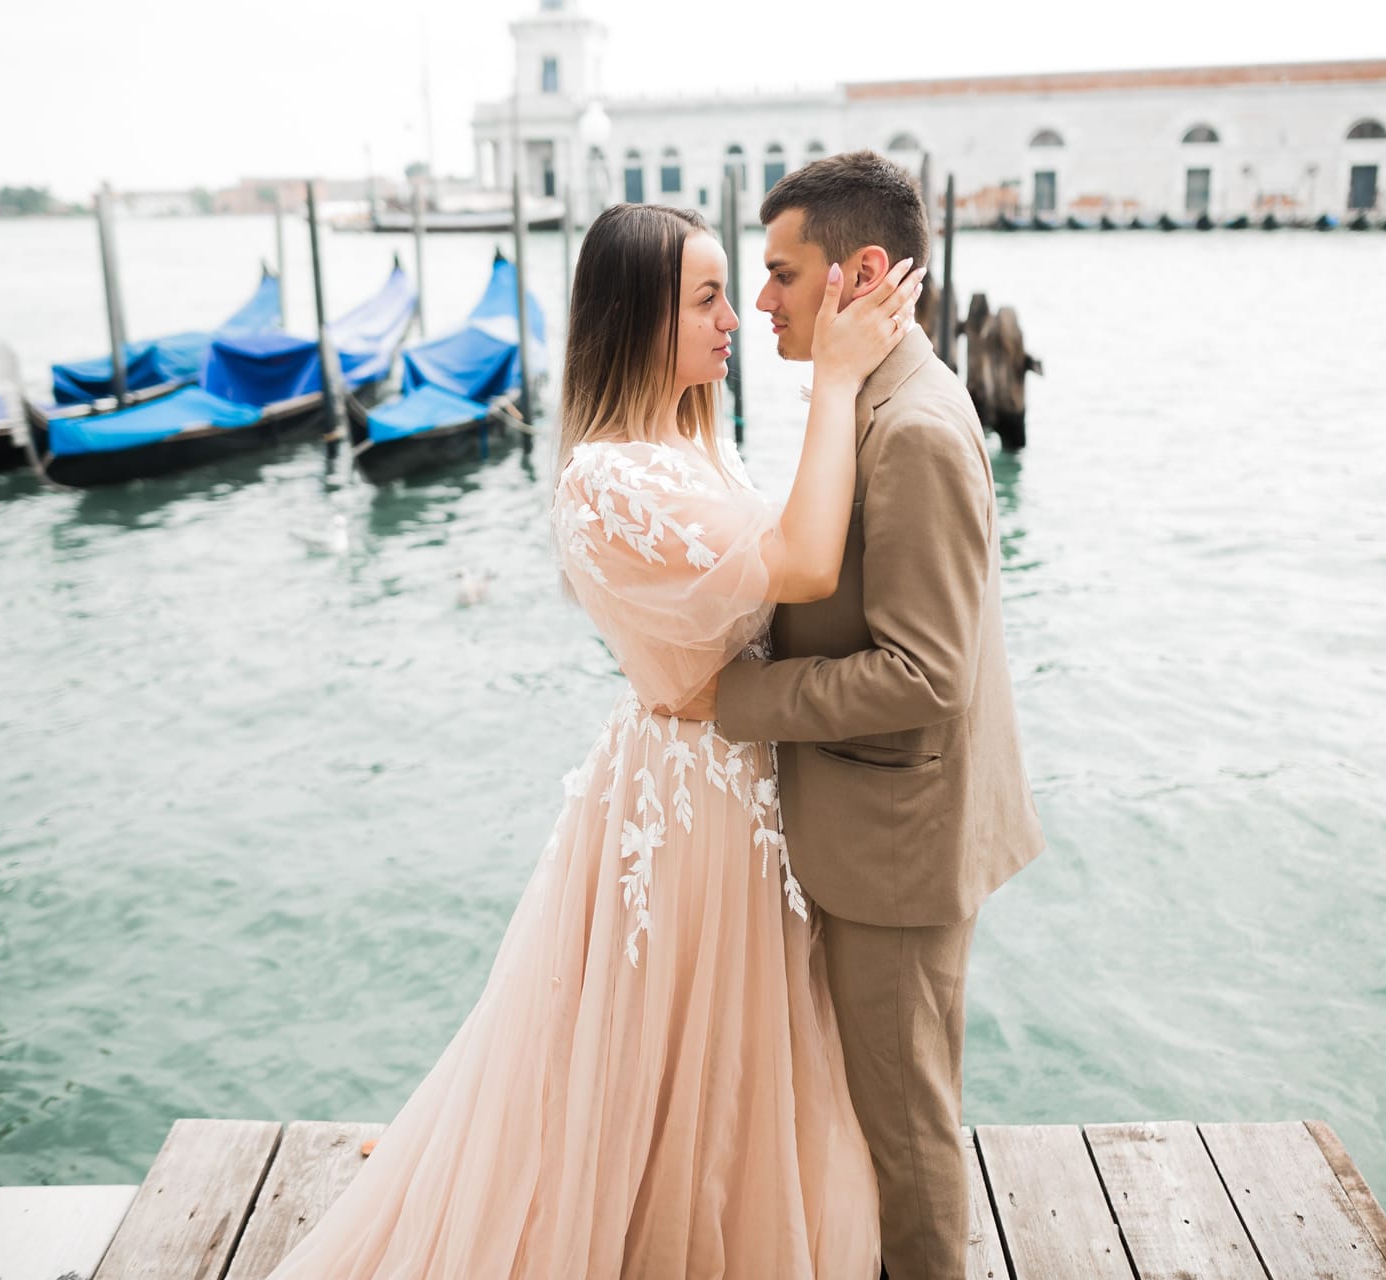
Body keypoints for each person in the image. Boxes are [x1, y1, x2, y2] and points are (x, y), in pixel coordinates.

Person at [262, 201, 924, 1278]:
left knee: (735, 1080)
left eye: (731, 291)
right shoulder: (613, 476)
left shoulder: (692, 443)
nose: (735, 317)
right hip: (697, 804)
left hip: (737, 784)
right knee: (688, 1075)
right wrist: (838, 377)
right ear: (637, 319)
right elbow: (800, 565)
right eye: (707, 297)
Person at [677, 150, 1048, 1280]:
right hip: (886, 832)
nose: (762, 301)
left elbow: (924, 674)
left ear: (863, 272)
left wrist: (738, 700)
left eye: (783, 273)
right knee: (889, 1102)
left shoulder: (918, 429)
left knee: (907, 1125)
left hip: (898, 850)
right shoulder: (876, 401)